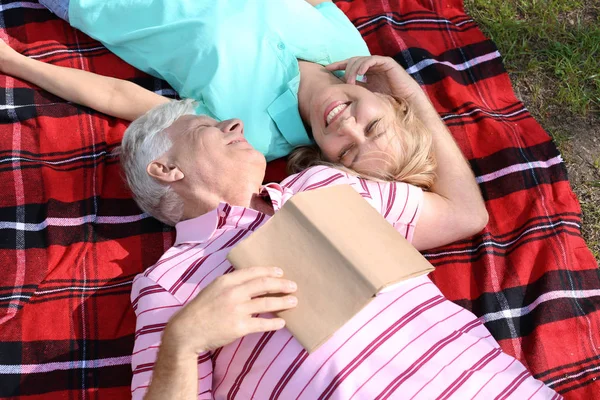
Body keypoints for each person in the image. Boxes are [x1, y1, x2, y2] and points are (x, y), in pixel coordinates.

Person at [119, 98, 558, 399]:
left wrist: (408, 91)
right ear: (166, 169)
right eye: (206, 128)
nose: (233, 124)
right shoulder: (168, 283)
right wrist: (182, 342)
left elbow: (464, 214)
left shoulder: (323, 181)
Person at [27, 0, 437, 187]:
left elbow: (123, 98)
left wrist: (16, 63)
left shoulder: (253, 136)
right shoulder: (354, 52)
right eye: (374, 125)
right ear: (391, 100)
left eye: (347, 152)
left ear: (329, 161)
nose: (348, 126)